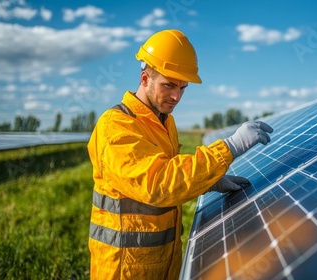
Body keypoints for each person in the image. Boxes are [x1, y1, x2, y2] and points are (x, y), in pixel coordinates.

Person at [87, 29, 274, 279]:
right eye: (169, 85)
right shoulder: (117, 126)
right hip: (125, 269)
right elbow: (158, 184)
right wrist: (230, 147)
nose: (176, 96)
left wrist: (208, 182)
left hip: (163, 264)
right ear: (145, 79)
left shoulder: (165, 123)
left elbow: (173, 171)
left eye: (183, 88)